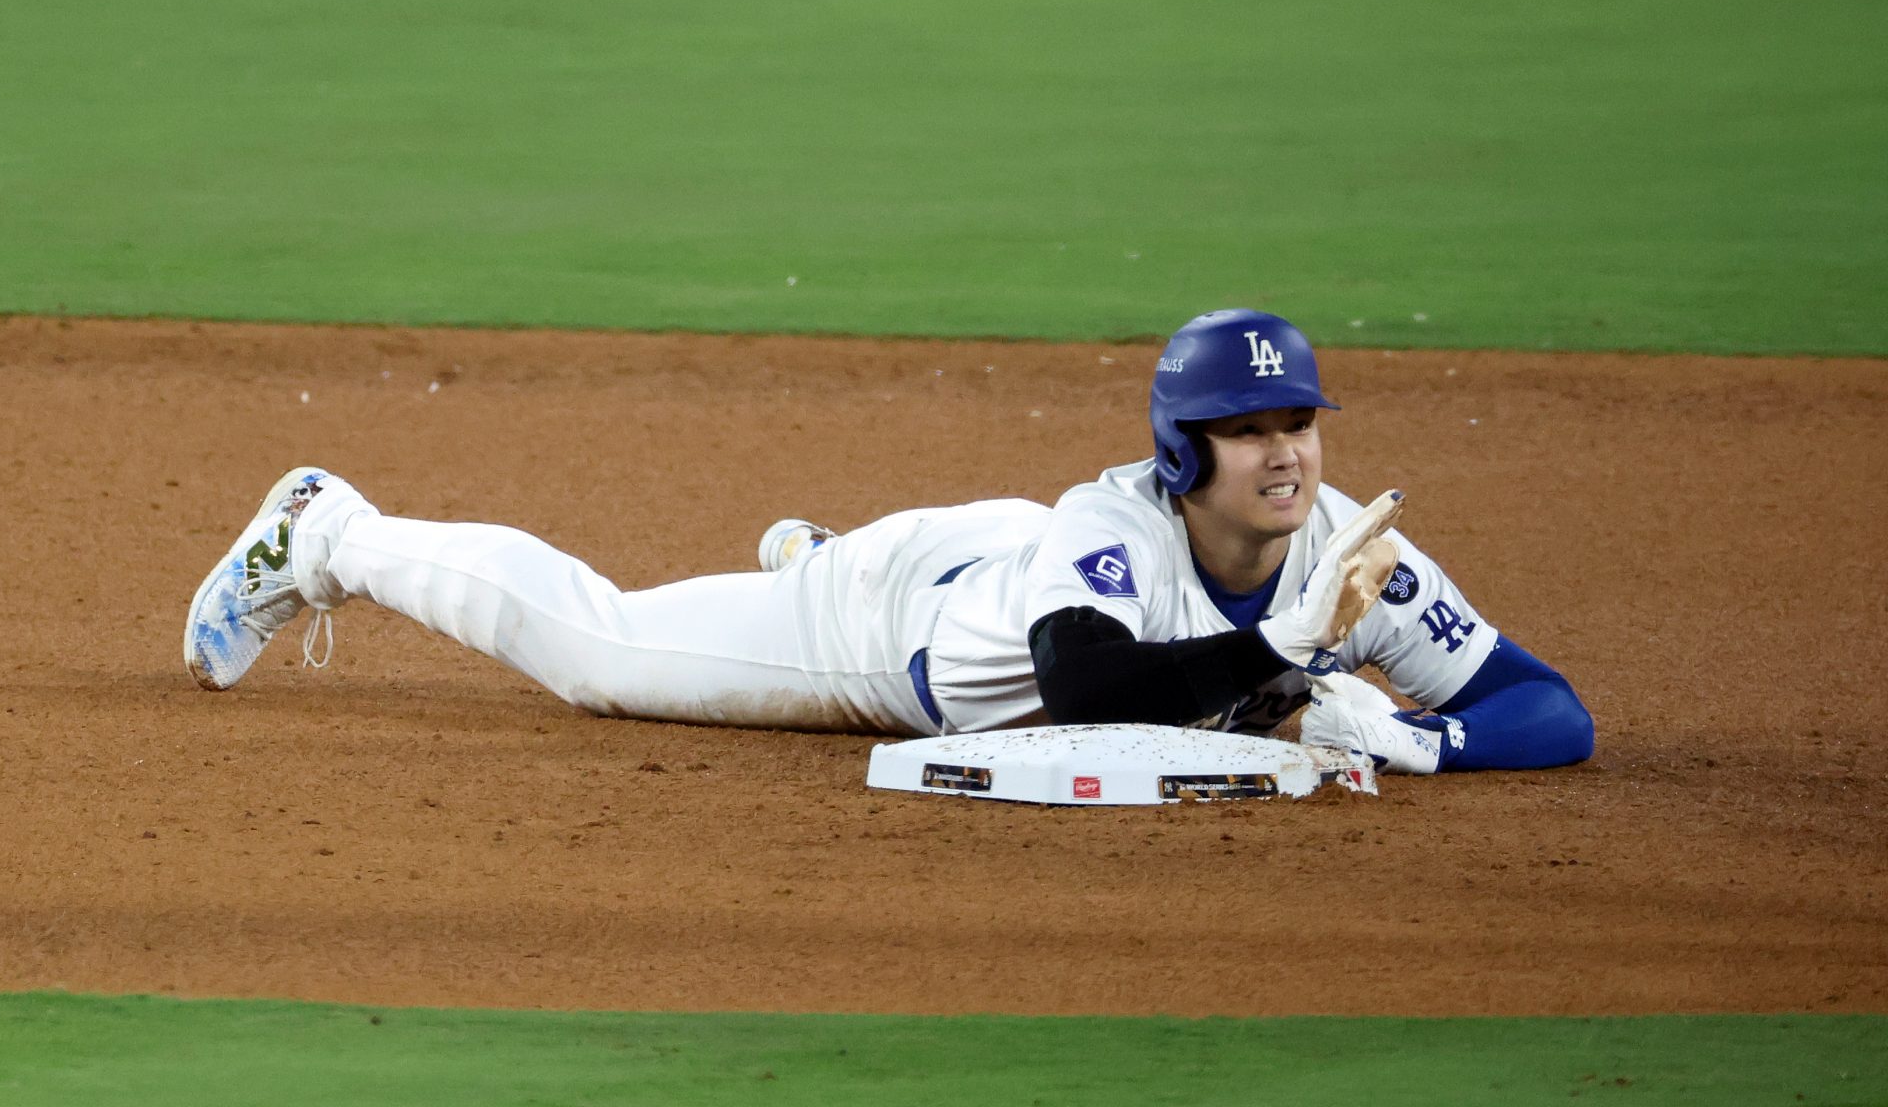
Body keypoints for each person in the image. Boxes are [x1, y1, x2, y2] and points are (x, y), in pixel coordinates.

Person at [183, 309, 1593, 773]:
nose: (1287, 450)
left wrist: (1427, 742)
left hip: (995, 552)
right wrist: (1291, 656)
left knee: (1229, 667)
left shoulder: (1354, 550)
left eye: (1302, 419)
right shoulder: (1120, 528)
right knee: (602, 648)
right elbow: (1093, 687)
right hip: (894, 635)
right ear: (1185, 452)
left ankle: (813, 550)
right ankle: (330, 532)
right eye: (1250, 427)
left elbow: (1554, 710)